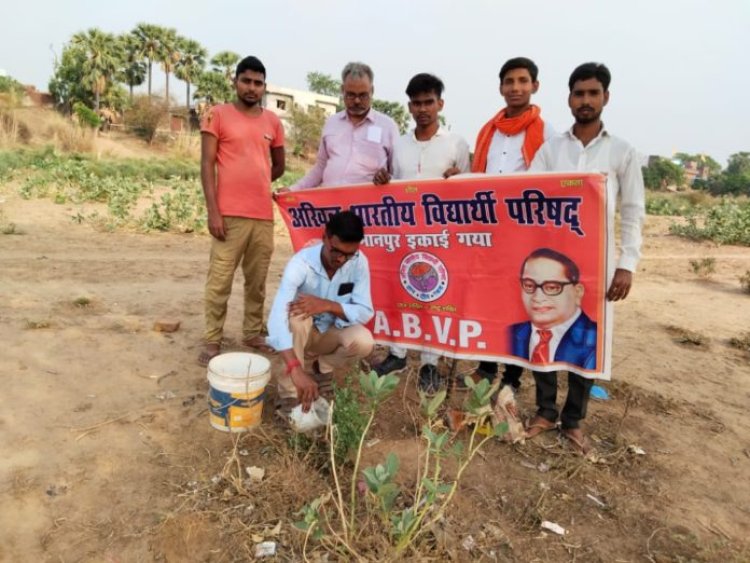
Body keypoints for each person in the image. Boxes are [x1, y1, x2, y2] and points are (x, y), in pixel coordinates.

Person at [527, 62, 646, 454]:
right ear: (569, 98)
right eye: (579, 94)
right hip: (549, 261)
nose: (586, 101)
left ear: (605, 97)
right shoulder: (551, 148)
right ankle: (545, 411)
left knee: (585, 339)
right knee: (543, 330)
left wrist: (626, 264)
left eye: (593, 93)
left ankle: (573, 419)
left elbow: (632, 211)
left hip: (596, 264)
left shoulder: (623, 151)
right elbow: (528, 195)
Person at [369, 73, 470, 392]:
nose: (423, 108)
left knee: (435, 296)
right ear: (409, 106)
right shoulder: (399, 144)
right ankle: (397, 353)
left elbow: (469, 190)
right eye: (416, 103)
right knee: (401, 292)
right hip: (403, 234)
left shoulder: (456, 143)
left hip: (441, 236)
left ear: (440, 103)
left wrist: (458, 178)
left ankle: (430, 364)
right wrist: (383, 179)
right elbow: (392, 186)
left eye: (429, 102)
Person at [470, 57, 555, 393]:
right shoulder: (488, 131)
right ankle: (487, 367)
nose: (516, 88)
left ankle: (514, 376)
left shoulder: (547, 133)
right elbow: (477, 178)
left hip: (526, 233)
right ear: (501, 87)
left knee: (523, 301)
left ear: (535, 86)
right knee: (492, 299)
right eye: (509, 81)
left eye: (523, 81)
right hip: (490, 231)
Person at [198, 56, 285, 366]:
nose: (252, 87)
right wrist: (213, 211)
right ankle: (212, 339)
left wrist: (258, 182)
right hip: (228, 216)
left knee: (257, 280)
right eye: (246, 81)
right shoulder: (217, 115)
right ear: (235, 82)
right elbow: (206, 165)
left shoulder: (273, 122)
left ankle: (252, 333)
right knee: (219, 280)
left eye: (258, 83)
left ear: (264, 86)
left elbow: (279, 165)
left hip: (262, 216)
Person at [266, 211, 375, 416]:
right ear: (324, 237)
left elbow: (365, 311)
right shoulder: (301, 264)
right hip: (301, 335)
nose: (341, 259)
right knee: (296, 318)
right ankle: (288, 393)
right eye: (336, 251)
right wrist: (296, 369)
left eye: (349, 254)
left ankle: (321, 368)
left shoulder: (359, 262)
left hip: (329, 333)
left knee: (364, 341)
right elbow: (275, 319)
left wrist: (327, 305)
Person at [289, 62, 400, 190]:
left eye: (363, 95)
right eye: (351, 95)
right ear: (342, 90)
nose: (357, 101)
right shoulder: (331, 123)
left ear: (372, 91)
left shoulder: (387, 126)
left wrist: (387, 179)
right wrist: (292, 189)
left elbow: (396, 173)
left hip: (368, 206)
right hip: (331, 205)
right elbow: (321, 167)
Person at [509, 248, 597, 370]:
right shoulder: (510, 333)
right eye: (529, 285)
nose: (537, 298)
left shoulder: (596, 340)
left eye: (551, 287)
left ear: (577, 292)